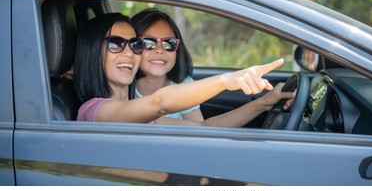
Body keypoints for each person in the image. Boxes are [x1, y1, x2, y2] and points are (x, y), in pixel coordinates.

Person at [74, 12, 293, 125]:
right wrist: (226, 80)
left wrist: (263, 104)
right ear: (92, 53)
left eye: (135, 44)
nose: (129, 53)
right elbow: (159, 103)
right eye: (115, 44)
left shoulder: (135, 110)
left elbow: (202, 131)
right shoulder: (94, 111)